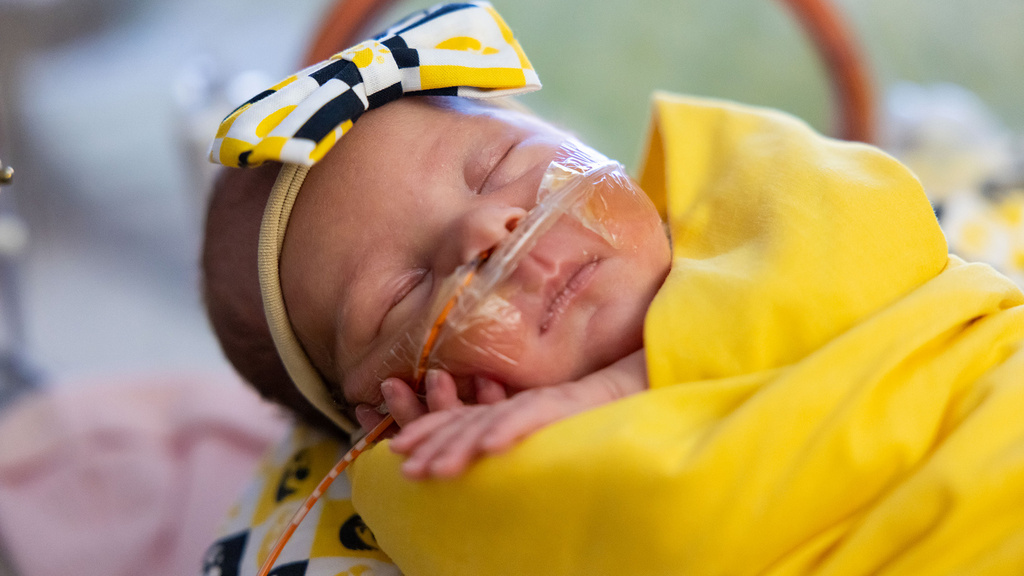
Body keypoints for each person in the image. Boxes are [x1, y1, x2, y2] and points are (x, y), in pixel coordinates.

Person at [201, 2, 1024, 575]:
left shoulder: (741, 182)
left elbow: (873, 235)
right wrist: (484, 487)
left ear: (579, 146)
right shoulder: (460, 471)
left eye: (493, 167)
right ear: (382, 412)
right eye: (403, 290)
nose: (483, 235)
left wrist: (627, 379)